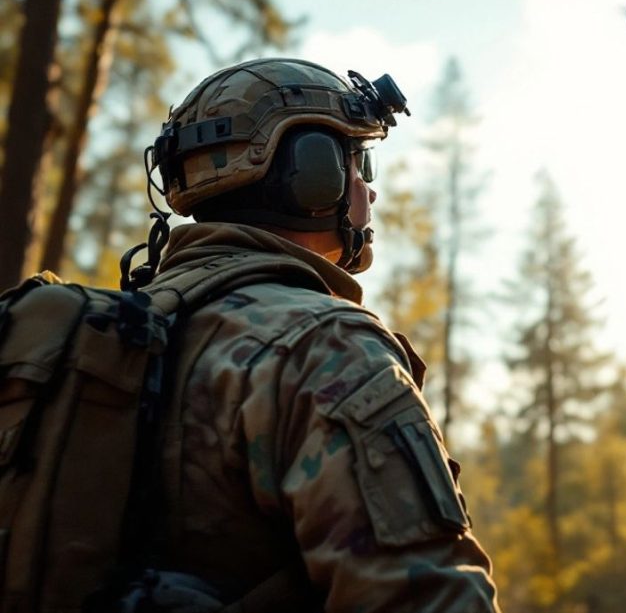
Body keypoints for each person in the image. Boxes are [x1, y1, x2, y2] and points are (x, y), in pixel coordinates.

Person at [132, 57, 500, 611]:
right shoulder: (325, 347)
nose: (369, 192)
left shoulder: (115, 338)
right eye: (360, 163)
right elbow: (431, 598)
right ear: (313, 174)